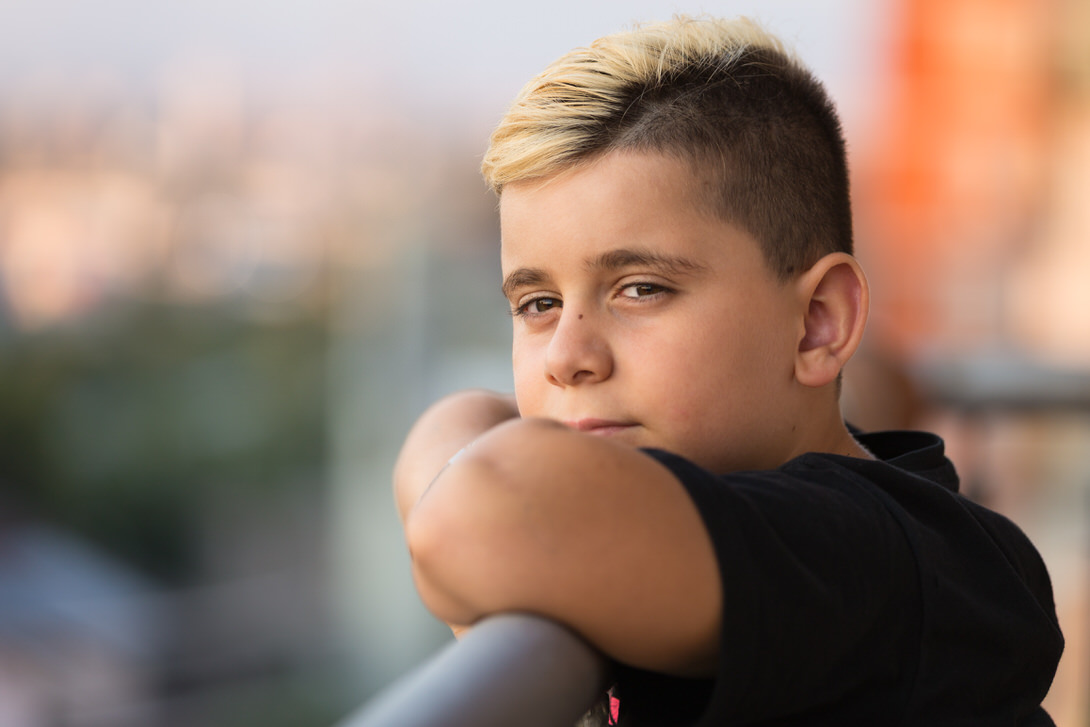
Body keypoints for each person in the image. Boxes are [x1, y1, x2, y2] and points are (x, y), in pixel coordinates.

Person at [392, 15, 1063, 726]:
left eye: (641, 288)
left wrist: (486, 519)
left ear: (818, 323)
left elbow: (480, 511)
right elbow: (464, 421)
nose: (566, 356)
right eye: (539, 304)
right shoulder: (745, 514)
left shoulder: (875, 556)